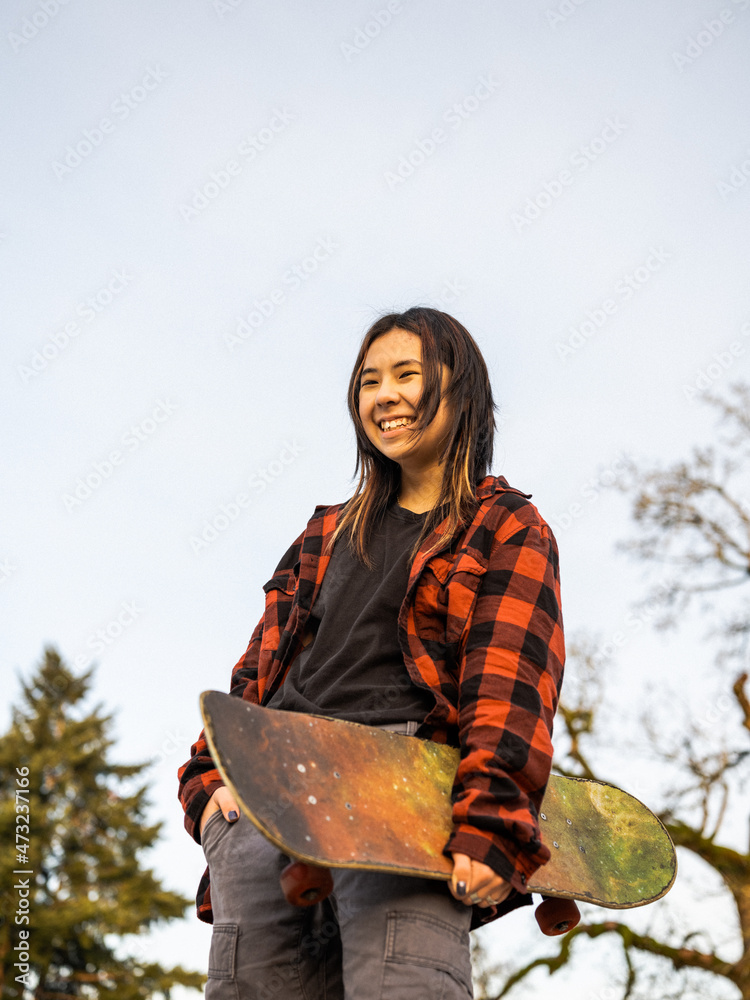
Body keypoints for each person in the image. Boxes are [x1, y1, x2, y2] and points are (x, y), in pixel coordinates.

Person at [178, 307, 565, 999]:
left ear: (460, 388)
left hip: (405, 801)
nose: (383, 395)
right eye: (368, 381)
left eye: (406, 375)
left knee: (404, 988)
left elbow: (510, 688)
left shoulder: (505, 525)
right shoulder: (324, 534)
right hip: (274, 792)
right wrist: (209, 787)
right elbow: (255, 676)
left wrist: (491, 823)